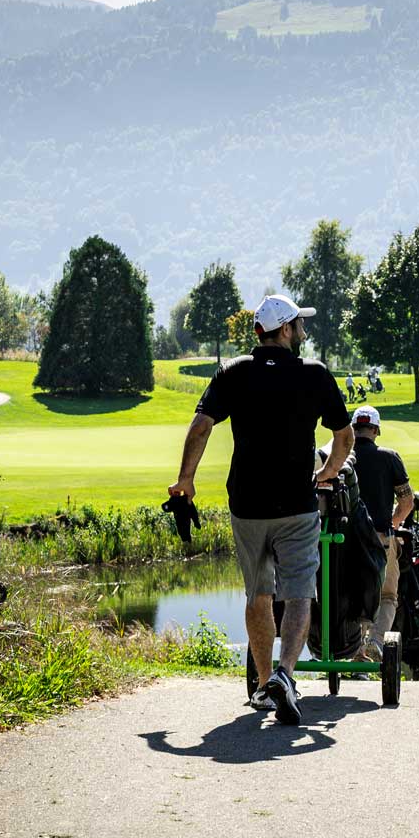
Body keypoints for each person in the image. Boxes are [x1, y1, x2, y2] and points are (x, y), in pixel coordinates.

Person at [170, 294, 353, 726]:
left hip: (247, 506)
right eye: (298, 325)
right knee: (299, 592)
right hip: (297, 505)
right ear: (285, 330)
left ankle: (265, 685)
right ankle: (286, 676)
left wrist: (186, 481)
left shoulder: (234, 372)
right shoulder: (315, 374)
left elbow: (200, 426)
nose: (302, 332)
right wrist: (325, 474)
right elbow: (343, 438)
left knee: (258, 594)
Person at [348, 404, 413, 658]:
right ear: (376, 429)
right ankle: (375, 641)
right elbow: (406, 502)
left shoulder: (342, 457)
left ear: (353, 429)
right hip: (381, 537)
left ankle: (354, 651)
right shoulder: (389, 457)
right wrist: (394, 524)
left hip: (345, 539)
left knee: (350, 592)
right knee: (387, 596)